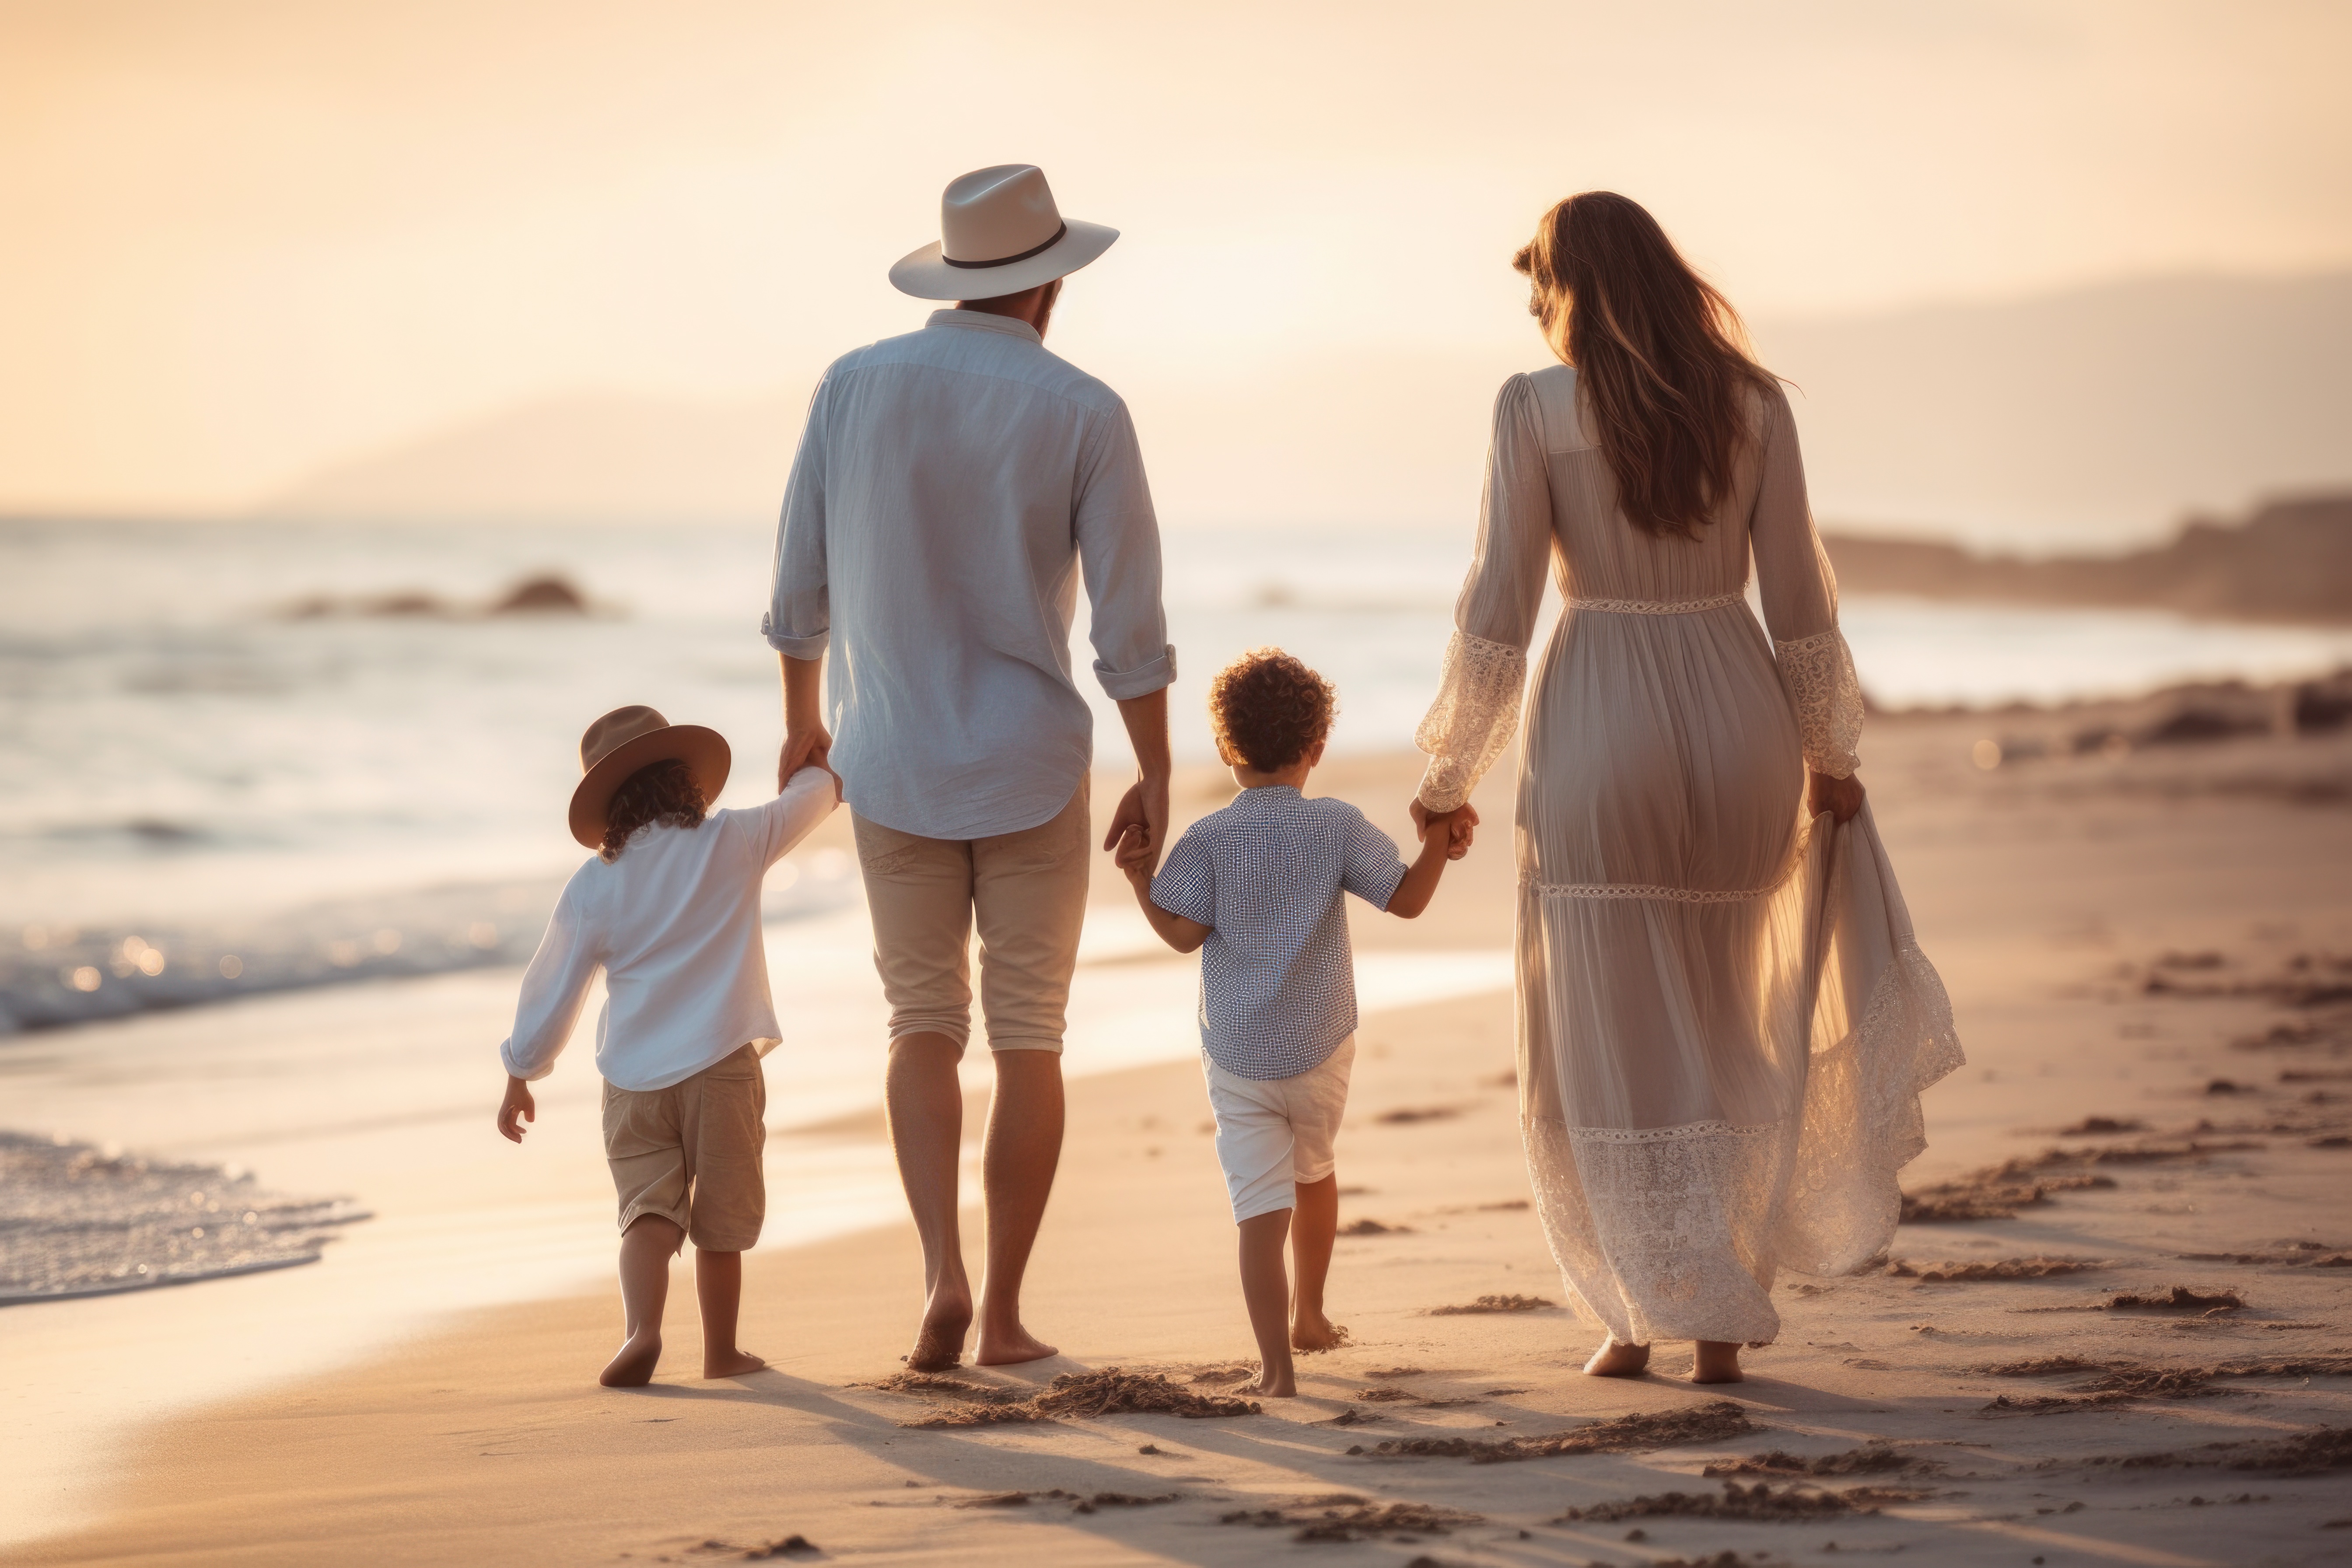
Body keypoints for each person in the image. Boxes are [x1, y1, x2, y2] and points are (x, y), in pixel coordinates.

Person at [1410, 192, 1963, 1385]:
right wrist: (1832, 756)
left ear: (1577, 290)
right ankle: (1719, 1321)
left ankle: (1633, 1311)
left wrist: (1450, 770)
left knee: (1607, 1032)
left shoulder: (1532, 407)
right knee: (1731, 1015)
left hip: (1601, 711)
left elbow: (1497, 610)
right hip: (1737, 711)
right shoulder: (1754, 404)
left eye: (1541, 292)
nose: (1538, 315)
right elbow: (1802, 600)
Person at [764, 164, 1175, 1370]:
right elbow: (1130, 628)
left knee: (921, 1024)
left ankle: (939, 1271)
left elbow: (799, 585)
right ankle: (999, 1317)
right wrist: (1156, 772)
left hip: (888, 755)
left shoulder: (852, 385)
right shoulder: (1086, 408)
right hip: (1031, 762)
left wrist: (802, 720)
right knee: (1028, 1035)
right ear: (1049, 282)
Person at [1116, 650, 1470, 1397]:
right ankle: (1311, 1314)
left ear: (1224, 749)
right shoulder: (1336, 826)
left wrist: (1142, 881)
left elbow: (1183, 937)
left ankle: (1277, 1369)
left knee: (1258, 1211)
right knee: (1315, 1171)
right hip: (1321, 1049)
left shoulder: (1208, 839)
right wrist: (1440, 839)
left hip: (1239, 1055)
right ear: (1318, 748)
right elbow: (1406, 901)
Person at [496, 705, 838, 1386]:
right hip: (722, 1065)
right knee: (720, 1221)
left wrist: (521, 1070)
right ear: (687, 778)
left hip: (632, 1079)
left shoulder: (594, 883)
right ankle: (721, 1354)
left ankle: (642, 1331)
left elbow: (554, 986)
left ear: (607, 804)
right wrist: (815, 754)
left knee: (645, 1215)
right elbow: (817, 798)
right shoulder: (734, 839)